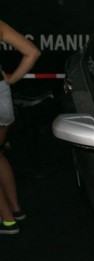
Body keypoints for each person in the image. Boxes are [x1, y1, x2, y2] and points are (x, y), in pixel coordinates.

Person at [0, 20, 40, 235]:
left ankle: (6, 221)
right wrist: (11, 79)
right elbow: (32, 52)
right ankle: (16, 210)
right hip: (2, 96)